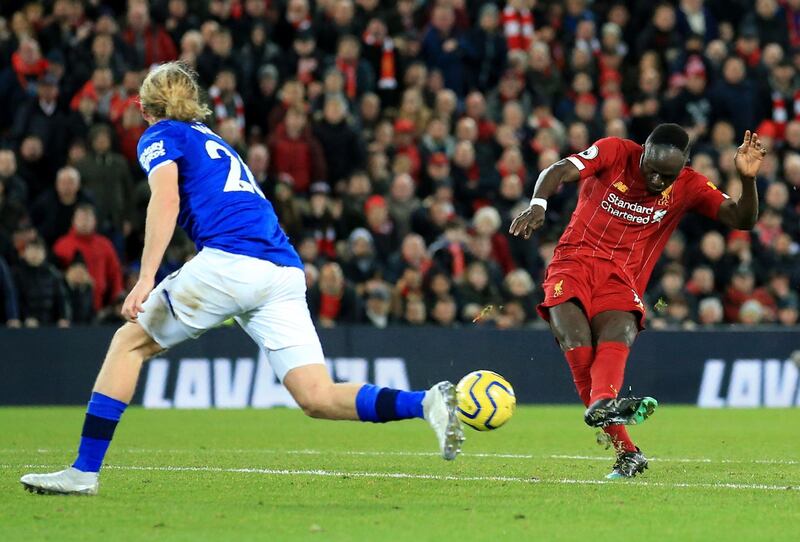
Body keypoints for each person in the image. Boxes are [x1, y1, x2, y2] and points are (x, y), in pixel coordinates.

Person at [20, 63, 464, 496]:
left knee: (128, 343)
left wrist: (146, 277)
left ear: (143, 107)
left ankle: (83, 471)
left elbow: (166, 199)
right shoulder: (214, 141)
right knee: (316, 395)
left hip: (232, 262)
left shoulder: (160, 135)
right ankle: (425, 401)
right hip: (284, 270)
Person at [509, 123, 766, 479]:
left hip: (621, 279)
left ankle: (616, 430)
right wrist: (538, 204)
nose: (658, 181)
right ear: (642, 152)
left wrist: (748, 180)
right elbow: (559, 170)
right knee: (577, 342)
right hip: (573, 263)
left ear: (684, 166)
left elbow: (742, 219)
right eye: (652, 170)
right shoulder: (614, 151)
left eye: (668, 176)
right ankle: (614, 421)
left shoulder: (689, 185)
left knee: (622, 332)